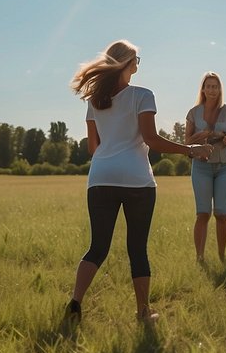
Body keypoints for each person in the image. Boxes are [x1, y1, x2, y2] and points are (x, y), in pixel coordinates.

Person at [63, 41, 211, 326]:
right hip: (137, 180)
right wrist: (191, 151)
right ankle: (143, 312)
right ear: (128, 63)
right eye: (137, 59)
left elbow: (93, 147)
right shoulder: (143, 95)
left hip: (101, 178)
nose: (138, 65)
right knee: (137, 248)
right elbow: (151, 139)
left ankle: (75, 302)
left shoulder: (95, 101)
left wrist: (112, 150)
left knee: (97, 247)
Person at [183, 72, 226, 263]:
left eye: (215, 86)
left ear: (219, 89)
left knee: (221, 214)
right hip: (201, 167)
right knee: (202, 214)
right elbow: (187, 142)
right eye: (208, 86)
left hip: (225, 167)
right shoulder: (193, 113)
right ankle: (200, 258)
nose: (212, 90)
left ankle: (222, 256)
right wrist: (203, 135)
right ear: (203, 89)